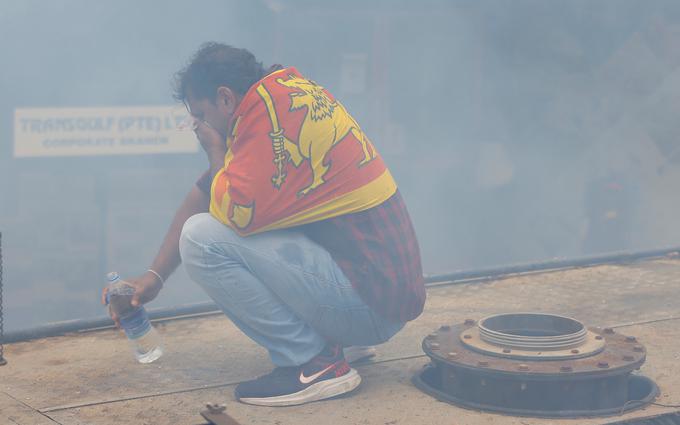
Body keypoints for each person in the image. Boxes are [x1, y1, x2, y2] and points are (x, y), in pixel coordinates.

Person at [103, 42, 426, 406]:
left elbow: (230, 210)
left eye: (200, 116)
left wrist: (214, 148)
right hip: (381, 297)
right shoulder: (278, 98)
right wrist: (154, 278)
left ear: (225, 98)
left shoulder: (268, 119)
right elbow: (207, 190)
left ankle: (314, 363)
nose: (199, 127)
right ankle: (331, 341)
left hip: (370, 308)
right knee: (231, 222)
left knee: (200, 239)